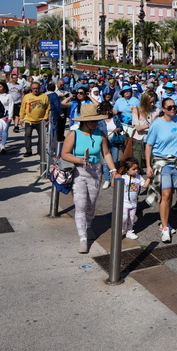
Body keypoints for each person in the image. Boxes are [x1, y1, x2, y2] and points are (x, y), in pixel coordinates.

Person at [61, 103, 118, 253]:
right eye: (92, 120)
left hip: (95, 172)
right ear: (84, 121)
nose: (95, 123)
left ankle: (88, 226)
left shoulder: (100, 134)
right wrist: (79, 160)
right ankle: (83, 239)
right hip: (78, 173)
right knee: (80, 205)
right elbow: (64, 154)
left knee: (91, 204)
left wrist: (113, 170)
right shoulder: (73, 134)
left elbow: (106, 154)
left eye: (96, 120)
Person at [144, 97, 177, 244]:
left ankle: (165, 221)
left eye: (174, 107)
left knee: (170, 195)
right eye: (169, 107)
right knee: (166, 193)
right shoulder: (157, 124)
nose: (173, 109)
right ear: (163, 109)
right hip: (161, 161)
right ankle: (164, 228)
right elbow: (148, 145)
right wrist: (148, 166)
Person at [117, 157, 147, 239]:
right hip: (124, 202)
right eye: (133, 169)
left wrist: (149, 178)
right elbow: (113, 185)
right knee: (124, 218)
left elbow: (145, 185)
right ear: (127, 170)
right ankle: (121, 228)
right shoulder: (124, 177)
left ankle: (129, 231)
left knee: (131, 219)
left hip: (133, 203)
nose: (136, 170)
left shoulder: (138, 177)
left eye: (137, 168)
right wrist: (115, 178)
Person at [99, 100, 124, 190]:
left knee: (114, 160)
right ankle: (107, 179)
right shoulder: (99, 120)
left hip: (114, 141)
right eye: (104, 110)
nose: (106, 112)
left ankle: (114, 177)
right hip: (104, 142)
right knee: (105, 162)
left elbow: (121, 127)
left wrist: (118, 129)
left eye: (108, 110)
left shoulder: (115, 117)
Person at [19, 82, 49, 157]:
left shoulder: (44, 96)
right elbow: (23, 108)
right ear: (31, 89)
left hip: (41, 120)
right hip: (29, 120)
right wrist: (21, 118)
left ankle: (40, 150)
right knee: (27, 136)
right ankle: (28, 151)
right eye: (34, 88)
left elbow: (48, 108)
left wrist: (45, 117)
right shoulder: (27, 96)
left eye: (37, 88)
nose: (36, 90)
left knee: (41, 136)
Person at [129, 90, 156, 171]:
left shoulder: (156, 110)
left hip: (151, 140)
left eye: (154, 102)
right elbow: (138, 128)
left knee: (153, 164)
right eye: (150, 102)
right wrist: (149, 125)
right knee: (137, 165)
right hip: (138, 139)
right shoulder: (136, 110)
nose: (152, 104)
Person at [0, 82, 14, 152]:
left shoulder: (8, 96)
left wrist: (10, 117)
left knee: (4, 130)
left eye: (1, 87)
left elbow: (11, 106)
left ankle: (2, 145)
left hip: (6, 114)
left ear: (4, 88)